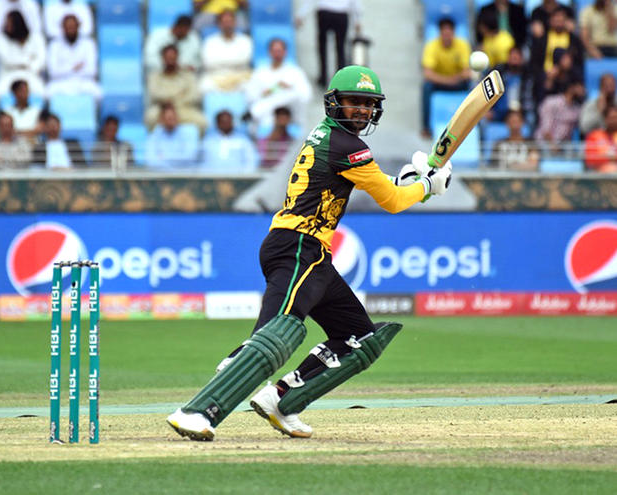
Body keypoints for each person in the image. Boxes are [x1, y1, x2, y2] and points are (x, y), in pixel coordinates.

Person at [166, 65, 452, 441]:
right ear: (334, 103)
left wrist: (408, 182)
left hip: (310, 254)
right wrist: (428, 187)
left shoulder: (331, 137)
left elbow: (378, 184)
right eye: (353, 102)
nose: (361, 110)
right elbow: (393, 201)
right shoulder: (349, 146)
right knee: (273, 338)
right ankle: (197, 412)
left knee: (357, 337)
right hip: (299, 247)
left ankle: (281, 400)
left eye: (368, 104)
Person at [244, 38, 312, 130]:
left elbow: (305, 96)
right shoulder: (259, 73)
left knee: (291, 94)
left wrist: (288, 88)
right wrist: (265, 93)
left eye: (279, 51)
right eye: (274, 51)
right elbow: (250, 97)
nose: (277, 54)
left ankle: (257, 111)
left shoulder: (295, 73)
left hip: (289, 115)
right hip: (266, 117)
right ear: (269, 52)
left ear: (285, 52)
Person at [421, 17, 471, 139]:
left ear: (453, 33)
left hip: (457, 83)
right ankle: (426, 127)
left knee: (474, 87)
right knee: (426, 87)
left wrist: (456, 79)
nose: (447, 37)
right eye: (444, 34)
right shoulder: (431, 46)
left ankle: (473, 124)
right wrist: (449, 80)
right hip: (441, 83)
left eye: (449, 34)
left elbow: (467, 72)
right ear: (440, 33)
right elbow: (427, 74)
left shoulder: (463, 45)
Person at [296, 0, 362, 87]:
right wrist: (357, 20)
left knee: (322, 47)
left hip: (324, 12)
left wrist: (301, 15)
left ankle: (323, 77)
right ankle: (340, 78)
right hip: (341, 13)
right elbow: (355, 3)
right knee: (340, 48)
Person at [145, 44, 207, 133]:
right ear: (162, 58)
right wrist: (174, 97)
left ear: (177, 57)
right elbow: (154, 94)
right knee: (150, 117)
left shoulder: (188, 75)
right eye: (167, 57)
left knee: (202, 121)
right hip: (161, 108)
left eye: (172, 57)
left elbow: (194, 95)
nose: (170, 60)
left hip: (183, 108)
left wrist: (174, 102)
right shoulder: (154, 76)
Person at [0, 10, 46, 101]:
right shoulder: (2, 40)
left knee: (42, 94)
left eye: (9, 24)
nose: (6, 26)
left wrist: (29, 66)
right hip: (9, 74)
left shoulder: (36, 38)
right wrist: (28, 60)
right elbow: (7, 60)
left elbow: (41, 60)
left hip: (31, 73)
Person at [47, 14, 101, 100]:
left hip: (83, 82)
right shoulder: (54, 45)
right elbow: (53, 72)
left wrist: (64, 68)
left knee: (98, 92)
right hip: (61, 83)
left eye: (73, 27)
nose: (70, 30)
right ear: (62, 28)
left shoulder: (88, 43)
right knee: (48, 92)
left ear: (78, 26)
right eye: (68, 27)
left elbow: (92, 71)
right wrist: (74, 67)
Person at [200, 10, 253, 93]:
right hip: (216, 76)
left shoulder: (245, 40)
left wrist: (221, 60)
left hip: (239, 76)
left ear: (235, 23)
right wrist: (234, 60)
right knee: (204, 86)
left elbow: (245, 60)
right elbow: (208, 63)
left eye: (230, 21)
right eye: (224, 22)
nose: (227, 25)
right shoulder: (210, 41)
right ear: (219, 24)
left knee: (251, 87)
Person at [535, 80, 585, 154]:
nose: (584, 90)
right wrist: (552, 145)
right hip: (544, 145)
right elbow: (545, 128)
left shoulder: (577, 109)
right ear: (571, 88)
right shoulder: (551, 102)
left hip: (563, 147)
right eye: (580, 87)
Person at [145, 103, 199, 168]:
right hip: (162, 173)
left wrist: (163, 157)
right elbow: (150, 162)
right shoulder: (155, 134)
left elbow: (190, 157)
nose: (172, 121)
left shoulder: (190, 131)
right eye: (169, 118)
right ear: (161, 120)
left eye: (173, 118)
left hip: (185, 173)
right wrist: (176, 159)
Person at [584, 104, 617, 172]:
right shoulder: (594, 136)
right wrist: (609, 158)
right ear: (605, 119)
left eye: (615, 118)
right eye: (611, 118)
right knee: (611, 168)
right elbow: (590, 159)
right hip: (600, 172)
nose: (613, 120)